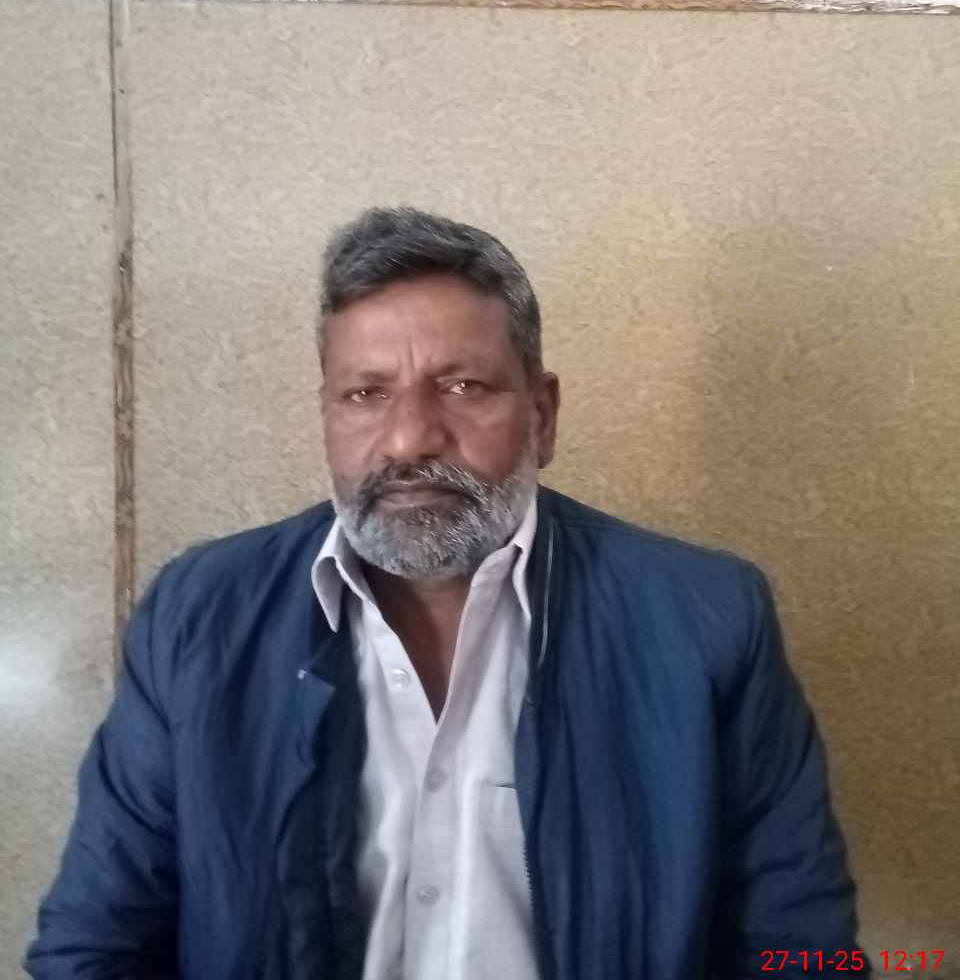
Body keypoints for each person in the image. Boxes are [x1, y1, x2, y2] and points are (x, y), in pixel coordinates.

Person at [26, 206, 868, 980]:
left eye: (463, 386)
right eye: (366, 394)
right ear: (326, 415)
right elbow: (95, 946)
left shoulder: (705, 619)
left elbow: (802, 951)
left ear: (542, 415)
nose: (409, 438)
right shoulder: (199, 617)